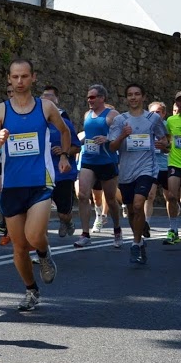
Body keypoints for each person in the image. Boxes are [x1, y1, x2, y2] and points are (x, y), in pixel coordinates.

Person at [0, 59, 70, 312]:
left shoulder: (46, 107)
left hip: (40, 182)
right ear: (9, 79)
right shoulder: (0, 110)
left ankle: (43, 253)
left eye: (24, 76)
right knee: (20, 247)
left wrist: (64, 156)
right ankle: (31, 290)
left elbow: (65, 131)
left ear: (33, 77)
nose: (19, 81)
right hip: (12, 185)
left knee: (33, 236)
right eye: (15, 77)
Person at [108, 84, 167, 263]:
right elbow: (112, 147)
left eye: (137, 94)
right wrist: (122, 136)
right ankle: (140, 240)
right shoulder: (120, 120)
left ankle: (134, 243)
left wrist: (164, 145)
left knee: (138, 204)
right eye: (130, 95)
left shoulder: (152, 119)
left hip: (146, 168)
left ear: (143, 97)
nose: (133, 97)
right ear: (126, 98)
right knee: (132, 211)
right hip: (126, 170)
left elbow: (164, 140)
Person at [74, 84, 122, 248]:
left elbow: (121, 135)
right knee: (82, 195)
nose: (89, 100)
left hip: (107, 160)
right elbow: (87, 135)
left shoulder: (112, 115)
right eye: (88, 97)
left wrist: (108, 138)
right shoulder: (87, 114)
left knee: (110, 199)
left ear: (102, 98)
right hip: (89, 159)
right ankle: (85, 234)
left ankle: (117, 230)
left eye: (93, 97)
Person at [40, 87, 81, 237]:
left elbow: (77, 147)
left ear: (56, 101)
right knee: (41, 211)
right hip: (41, 174)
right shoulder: (37, 123)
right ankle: (41, 245)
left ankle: (66, 221)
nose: (46, 99)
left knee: (63, 212)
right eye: (44, 97)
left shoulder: (65, 124)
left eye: (50, 96)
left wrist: (64, 151)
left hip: (62, 173)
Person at [145, 100, 179, 242]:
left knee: (170, 197)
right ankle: (146, 224)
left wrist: (165, 146)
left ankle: (174, 226)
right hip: (152, 167)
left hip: (167, 166)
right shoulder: (145, 127)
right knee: (149, 195)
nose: (155, 115)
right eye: (152, 112)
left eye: (158, 112)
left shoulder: (167, 125)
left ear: (164, 114)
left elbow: (170, 146)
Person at [0, 82, 14, 245]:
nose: (11, 94)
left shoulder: (30, 110)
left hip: (21, 159)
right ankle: (5, 221)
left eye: (13, 91)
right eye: (8, 92)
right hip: (4, 156)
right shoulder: (2, 111)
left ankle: (10, 229)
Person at [165, 95, 181, 244]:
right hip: (175, 163)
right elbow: (167, 140)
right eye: (178, 100)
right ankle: (173, 229)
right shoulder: (171, 120)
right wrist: (164, 146)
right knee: (171, 196)